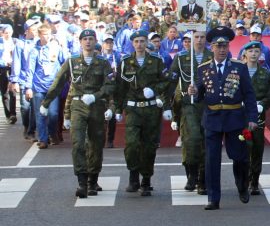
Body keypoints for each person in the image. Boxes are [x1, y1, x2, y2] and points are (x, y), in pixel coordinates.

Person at [187, 27, 259, 210]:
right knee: (212, 160)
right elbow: (200, 94)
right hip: (212, 118)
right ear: (212, 48)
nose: (221, 50)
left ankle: (242, 185)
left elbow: (249, 95)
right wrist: (193, 92)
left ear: (228, 47)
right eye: (218, 46)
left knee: (239, 156)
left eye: (225, 46)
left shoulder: (239, 67)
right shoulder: (203, 69)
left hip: (234, 117)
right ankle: (213, 198)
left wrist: (252, 117)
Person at [41, 29, 115, 198]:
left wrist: (97, 97)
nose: (88, 42)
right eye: (85, 39)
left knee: (96, 145)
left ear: (95, 41)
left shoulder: (103, 63)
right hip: (77, 106)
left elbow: (110, 86)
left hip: (96, 107)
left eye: (91, 39)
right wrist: (46, 103)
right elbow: (58, 82)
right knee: (78, 144)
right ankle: (82, 182)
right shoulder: (72, 61)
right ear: (80, 42)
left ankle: (93, 180)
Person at [115, 30, 172, 196]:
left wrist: (154, 90)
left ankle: (146, 180)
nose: (139, 44)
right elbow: (120, 87)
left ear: (146, 43)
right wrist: (118, 108)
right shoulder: (125, 62)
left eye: (142, 41)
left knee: (149, 146)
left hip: (151, 109)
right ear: (132, 44)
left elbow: (166, 81)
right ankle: (133, 177)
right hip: (133, 109)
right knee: (132, 145)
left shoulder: (155, 60)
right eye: (136, 41)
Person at [167, 30, 212, 194]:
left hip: (208, 105)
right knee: (191, 141)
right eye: (196, 37)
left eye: (202, 37)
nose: (199, 40)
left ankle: (202, 180)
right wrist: (168, 106)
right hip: (189, 104)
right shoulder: (181, 58)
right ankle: (191, 173)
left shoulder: (212, 57)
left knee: (207, 144)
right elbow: (171, 81)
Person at [23, 24, 68, 148]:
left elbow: (65, 61)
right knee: (40, 113)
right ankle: (43, 139)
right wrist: (28, 88)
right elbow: (30, 70)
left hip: (53, 87)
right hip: (38, 87)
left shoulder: (56, 48)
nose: (47, 37)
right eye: (44, 34)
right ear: (39, 35)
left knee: (53, 114)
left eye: (49, 34)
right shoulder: (34, 51)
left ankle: (52, 133)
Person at [241, 40, 270, 195]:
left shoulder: (265, 74)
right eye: (250, 51)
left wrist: (262, 104)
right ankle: (243, 180)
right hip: (242, 116)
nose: (253, 54)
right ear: (245, 54)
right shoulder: (238, 71)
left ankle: (254, 181)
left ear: (260, 54)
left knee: (257, 149)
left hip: (258, 117)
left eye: (256, 52)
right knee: (244, 147)